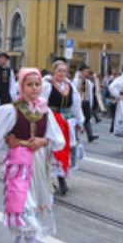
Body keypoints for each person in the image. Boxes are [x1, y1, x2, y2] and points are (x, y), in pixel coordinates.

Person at [0, 67, 66, 243]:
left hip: (38, 161)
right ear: (21, 87)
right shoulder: (13, 109)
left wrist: (43, 140)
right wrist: (6, 139)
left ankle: (16, 242)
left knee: (33, 202)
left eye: (37, 84)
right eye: (29, 84)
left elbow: (57, 138)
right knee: (23, 202)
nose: (34, 88)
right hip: (19, 163)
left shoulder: (45, 110)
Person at [42, 59, 84, 195]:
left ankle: (61, 179)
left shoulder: (70, 86)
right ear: (53, 71)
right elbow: (40, 103)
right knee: (53, 149)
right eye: (59, 70)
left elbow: (76, 105)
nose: (62, 73)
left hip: (67, 122)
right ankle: (57, 181)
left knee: (65, 149)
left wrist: (80, 122)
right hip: (52, 121)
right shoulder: (47, 85)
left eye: (64, 71)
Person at [72, 65, 100, 143]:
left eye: (88, 71)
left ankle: (90, 135)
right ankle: (75, 136)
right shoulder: (76, 80)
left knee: (87, 118)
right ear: (82, 71)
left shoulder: (87, 81)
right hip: (79, 102)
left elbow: (90, 93)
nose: (87, 73)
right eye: (86, 71)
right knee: (77, 118)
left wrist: (90, 104)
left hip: (86, 101)